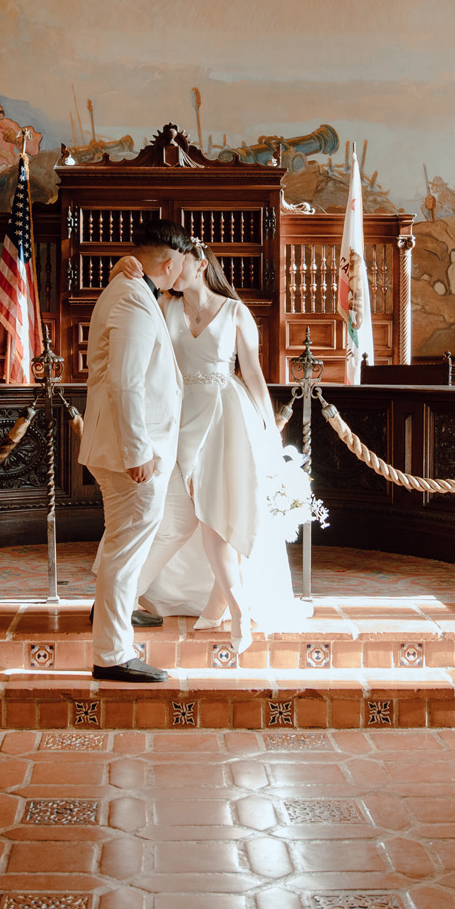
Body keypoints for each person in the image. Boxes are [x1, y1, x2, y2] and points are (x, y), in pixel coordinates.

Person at [120, 242, 312, 645]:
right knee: (179, 511)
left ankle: (231, 608)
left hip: (226, 415)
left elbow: (255, 374)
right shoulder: (164, 307)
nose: (173, 271)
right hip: (178, 415)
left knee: (215, 508)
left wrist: (267, 425)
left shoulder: (236, 312)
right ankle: (212, 605)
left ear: (201, 266)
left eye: (181, 264)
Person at [78, 220, 192, 683]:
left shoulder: (130, 285)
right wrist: (137, 452)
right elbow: (125, 383)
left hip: (132, 447)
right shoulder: (130, 297)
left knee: (121, 550)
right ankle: (112, 656)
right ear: (169, 262)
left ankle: (115, 631)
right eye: (180, 263)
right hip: (133, 453)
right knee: (125, 553)